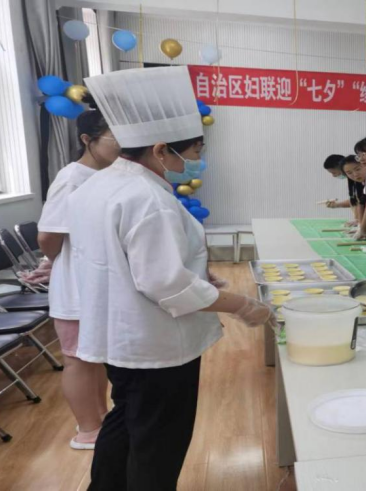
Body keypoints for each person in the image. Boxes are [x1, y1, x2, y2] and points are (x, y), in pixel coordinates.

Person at [74, 66, 276, 490]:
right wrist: (242, 305)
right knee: (158, 442)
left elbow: (125, 260)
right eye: (196, 149)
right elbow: (165, 284)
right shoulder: (148, 199)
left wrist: (195, 272)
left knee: (125, 420)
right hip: (156, 345)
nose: (198, 158)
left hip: (119, 338)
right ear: (161, 149)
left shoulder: (101, 184)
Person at [36, 108, 118, 450]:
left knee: (93, 356)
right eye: (114, 138)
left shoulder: (104, 175)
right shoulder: (72, 177)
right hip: (74, 286)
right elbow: (48, 236)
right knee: (76, 360)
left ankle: (100, 418)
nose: (122, 145)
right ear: (87, 140)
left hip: (94, 282)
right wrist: (61, 262)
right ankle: (88, 429)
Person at [322, 154, 362, 226]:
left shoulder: (361, 180)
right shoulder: (353, 181)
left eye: (334, 172)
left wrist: (360, 221)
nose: (333, 176)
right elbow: (356, 200)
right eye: (349, 172)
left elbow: (364, 202)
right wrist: (337, 205)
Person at [340, 154, 366, 227]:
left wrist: (362, 226)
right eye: (349, 173)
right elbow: (360, 204)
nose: (355, 174)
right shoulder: (359, 184)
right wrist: (359, 222)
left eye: (358, 169)